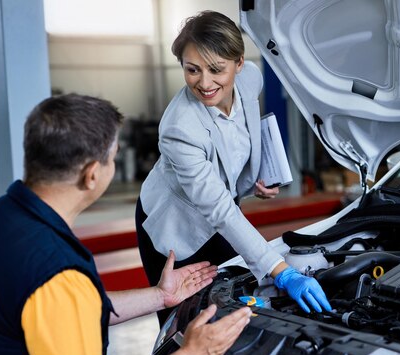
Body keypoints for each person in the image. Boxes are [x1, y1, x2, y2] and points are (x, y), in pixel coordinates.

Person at [0, 94, 252, 355]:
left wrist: (159, 296)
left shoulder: (2, 215)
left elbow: (62, 313)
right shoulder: (57, 275)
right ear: (92, 175)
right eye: (112, 158)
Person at [135, 10, 331, 322]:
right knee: (185, 319)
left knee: (233, 302)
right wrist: (283, 273)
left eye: (216, 69)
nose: (205, 83)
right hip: (175, 222)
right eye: (192, 70)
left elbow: (233, 143)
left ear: (239, 63)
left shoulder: (251, 78)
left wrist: (252, 179)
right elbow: (220, 209)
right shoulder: (179, 129)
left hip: (219, 209)